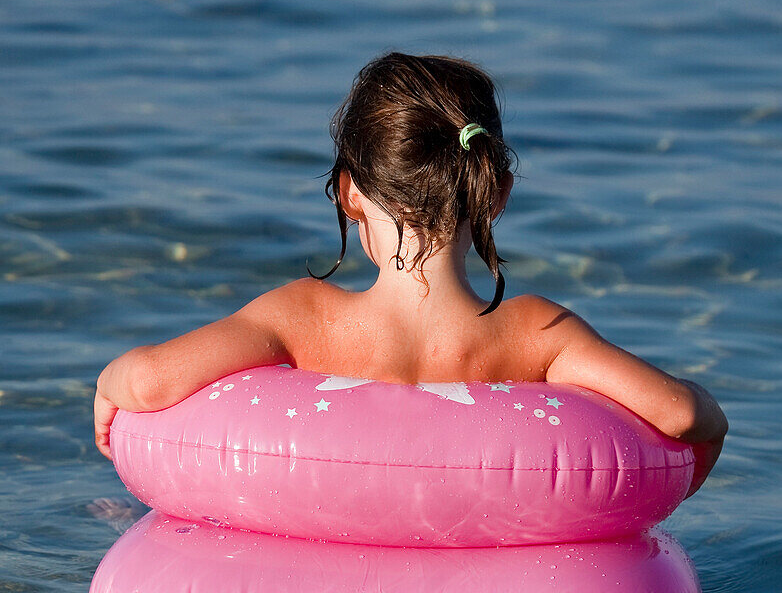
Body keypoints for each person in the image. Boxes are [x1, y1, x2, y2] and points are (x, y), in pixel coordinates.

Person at [94, 52, 726, 490]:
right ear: (495, 193)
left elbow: (149, 384)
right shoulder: (537, 335)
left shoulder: (300, 318)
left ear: (348, 192)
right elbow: (681, 416)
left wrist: (106, 384)